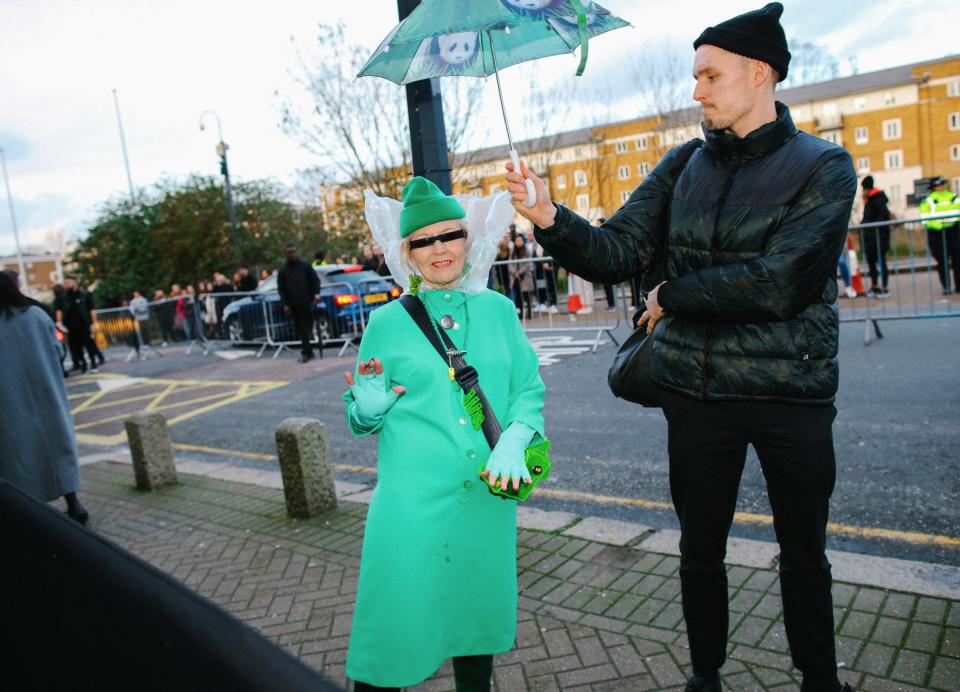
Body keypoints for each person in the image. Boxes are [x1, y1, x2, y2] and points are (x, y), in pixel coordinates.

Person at [506, 5, 856, 691]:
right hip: (698, 394)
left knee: (804, 555)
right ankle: (705, 678)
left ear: (759, 73)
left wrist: (671, 295)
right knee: (700, 552)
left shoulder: (824, 166)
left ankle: (821, 680)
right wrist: (550, 218)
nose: (696, 90)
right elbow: (616, 253)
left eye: (709, 74)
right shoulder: (683, 164)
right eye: (695, 75)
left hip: (792, 395)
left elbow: (781, 283)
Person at [344, 177, 543, 692]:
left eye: (449, 235)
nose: (439, 249)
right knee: (394, 626)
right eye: (423, 241)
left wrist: (517, 437)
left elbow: (527, 389)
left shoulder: (500, 311)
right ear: (406, 253)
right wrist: (367, 408)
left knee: (475, 623)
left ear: (467, 239)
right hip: (411, 503)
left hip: (485, 497)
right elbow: (361, 415)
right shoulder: (386, 323)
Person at [0, 271, 89, 525]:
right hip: (48, 395)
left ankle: (32, 515)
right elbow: (58, 349)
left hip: (11, 403)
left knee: (20, 457)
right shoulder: (37, 316)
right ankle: (73, 502)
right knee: (58, 447)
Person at [277, 244, 321, 363]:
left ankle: (307, 351)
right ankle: (307, 351)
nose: (291, 254)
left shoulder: (305, 266)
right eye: (289, 252)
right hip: (293, 304)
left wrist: (316, 294)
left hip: (306, 302)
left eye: (293, 252)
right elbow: (281, 289)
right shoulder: (283, 270)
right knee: (300, 329)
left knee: (306, 327)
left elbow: (315, 281)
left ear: (296, 252)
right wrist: (285, 303)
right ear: (286, 254)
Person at [919, 175, 960, 295]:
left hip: (954, 231)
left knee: (958, 260)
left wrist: (953, 223)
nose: (940, 187)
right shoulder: (928, 200)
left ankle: (959, 286)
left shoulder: (953, 197)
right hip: (937, 233)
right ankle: (946, 286)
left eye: (941, 184)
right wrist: (939, 225)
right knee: (942, 261)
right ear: (933, 187)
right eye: (938, 185)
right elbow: (925, 219)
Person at [55, 275, 100, 374]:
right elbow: (59, 310)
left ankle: (93, 363)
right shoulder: (62, 297)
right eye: (65, 282)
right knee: (75, 346)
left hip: (84, 323)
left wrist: (94, 323)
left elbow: (91, 309)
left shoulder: (85, 294)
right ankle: (82, 363)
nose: (67, 284)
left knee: (89, 344)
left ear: (75, 282)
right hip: (70, 326)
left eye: (69, 282)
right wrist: (59, 322)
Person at [860, 176, 893, 298]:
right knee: (871, 263)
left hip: (879, 237)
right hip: (870, 238)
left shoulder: (877, 199)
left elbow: (884, 216)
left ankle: (884, 287)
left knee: (881, 262)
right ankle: (875, 286)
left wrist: (869, 225)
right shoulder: (869, 200)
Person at [509, 233, 535, 319]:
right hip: (515, 278)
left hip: (525, 277)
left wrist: (519, 272)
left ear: (523, 241)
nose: (518, 242)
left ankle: (530, 313)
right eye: (516, 240)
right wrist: (514, 272)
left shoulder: (527, 250)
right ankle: (520, 312)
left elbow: (527, 264)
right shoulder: (513, 252)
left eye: (520, 240)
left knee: (527, 296)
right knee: (518, 297)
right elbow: (510, 264)